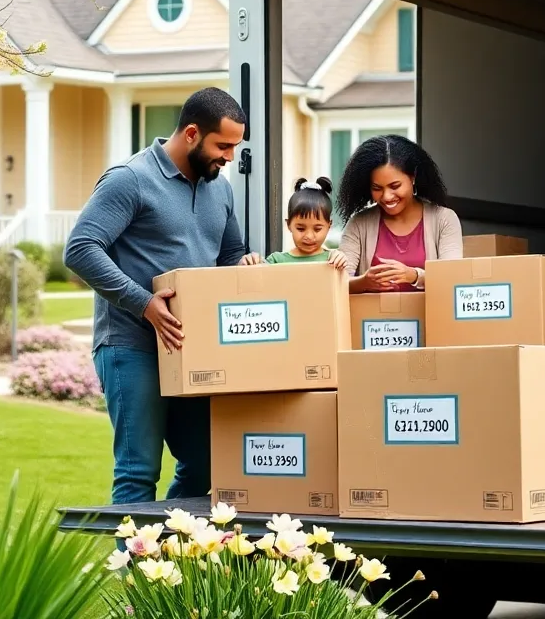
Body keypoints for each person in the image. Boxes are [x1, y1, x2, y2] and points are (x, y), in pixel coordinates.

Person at [64, 87, 247, 506]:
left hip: (191, 349)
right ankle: (136, 552)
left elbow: (229, 254)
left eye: (235, 147)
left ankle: (169, 539)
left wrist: (246, 268)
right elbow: (81, 249)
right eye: (223, 146)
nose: (229, 157)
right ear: (192, 134)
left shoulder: (220, 189)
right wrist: (144, 303)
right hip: (131, 345)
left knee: (204, 462)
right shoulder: (130, 179)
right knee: (138, 471)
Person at [336, 134, 463, 293]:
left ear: (413, 177)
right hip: (373, 311)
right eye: (377, 188)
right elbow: (337, 283)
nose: (387, 196)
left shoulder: (444, 219)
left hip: (431, 311)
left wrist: (414, 276)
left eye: (395, 186)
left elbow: (452, 278)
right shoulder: (359, 223)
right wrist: (364, 282)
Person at [241, 177, 349, 268]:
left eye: (317, 229)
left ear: (329, 226)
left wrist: (342, 262)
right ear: (288, 225)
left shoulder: (334, 260)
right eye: (301, 229)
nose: (309, 236)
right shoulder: (276, 261)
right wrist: (248, 263)